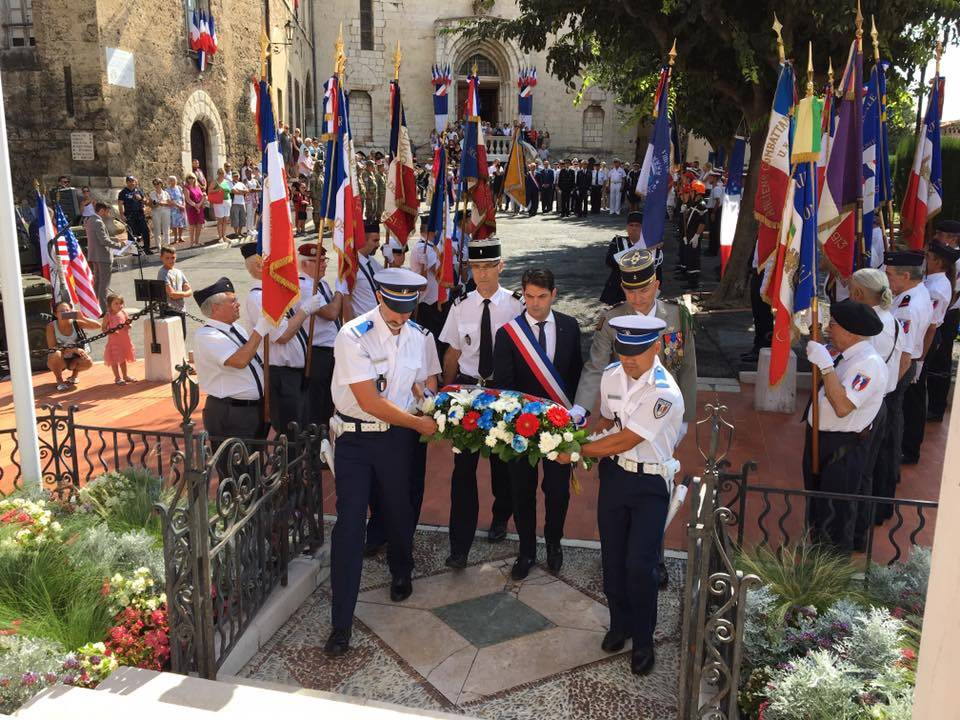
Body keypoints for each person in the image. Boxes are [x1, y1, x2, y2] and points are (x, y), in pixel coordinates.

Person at [556, 315, 683, 676]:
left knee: (640, 566)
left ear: (656, 347)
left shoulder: (664, 391)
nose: (629, 360)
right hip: (615, 477)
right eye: (623, 351)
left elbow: (630, 438)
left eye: (637, 353)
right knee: (612, 558)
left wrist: (578, 451)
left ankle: (643, 641)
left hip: (650, 485)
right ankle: (620, 625)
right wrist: (585, 438)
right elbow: (611, 423)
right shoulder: (612, 375)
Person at [325, 268, 439, 657]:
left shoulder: (418, 337)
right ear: (379, 297)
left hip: (395, 441)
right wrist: (418, 422)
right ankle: (341, 623)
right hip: (356, 440)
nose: (400, 317)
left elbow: (419, 382)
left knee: (398, 509)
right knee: (351, 523)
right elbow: (371, 402)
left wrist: (431, 401)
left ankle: (401, 571)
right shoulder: (352, 335)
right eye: (394, 308)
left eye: (408, 309)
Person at [492, 268, 583, 579]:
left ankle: (554, 543)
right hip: (521, 429)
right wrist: (528, 421)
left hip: (560, 428)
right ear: (523, 293)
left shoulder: (571, 328)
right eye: (529, 296)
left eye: (542, 297)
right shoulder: (508, 334)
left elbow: (575, 378)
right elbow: (505, 388)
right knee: (522, 491)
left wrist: (576, 415)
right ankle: (526, 550)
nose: (535, 303)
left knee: (558, 492)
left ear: (554, 294)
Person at [439, 238, 524, 567]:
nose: (482, 274)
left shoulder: (515, 306)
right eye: (476, 267)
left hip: (501, 393)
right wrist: (446, 395)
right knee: (463, 470)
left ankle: (501, 516)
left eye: (489, 266)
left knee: (502, 464)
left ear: (501, 266)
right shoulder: (461, 305)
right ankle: (459, 545)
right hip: (468, 392)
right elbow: (453, 353)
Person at [803, 299, 887, 552]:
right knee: (819, 505)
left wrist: (826, 367)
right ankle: (818, 552)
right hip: (824, 440)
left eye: (834, 324)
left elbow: (842, 407)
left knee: (836, 512)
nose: (829, 328)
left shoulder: (868, 364)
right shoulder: (849, 354)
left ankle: (832, 569)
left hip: (842, 447)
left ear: (851, 332)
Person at [580, 248, 698, 425]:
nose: (637, 298)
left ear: (656, 285)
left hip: (665, 406)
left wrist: (685, 418)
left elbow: (687, 367)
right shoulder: (611, 319)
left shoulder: (677, 315)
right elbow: (596, 366)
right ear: (622, 288)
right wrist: (581, 407)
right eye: (630, 292)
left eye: (644, 290)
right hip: (624, 405)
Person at [241, 242, 325, 435]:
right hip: (280, 374)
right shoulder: (259, 298)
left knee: (302, 427)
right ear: (260, 266)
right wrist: (305, 310)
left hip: (293, 373)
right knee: (290, 433)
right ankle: (291, 466)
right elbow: (283, 336)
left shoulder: (272, 294)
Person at [848, 269, 908, 535]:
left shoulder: (870, 325)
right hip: (882, 402)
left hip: (865, 406)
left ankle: (855, 533)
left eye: (851, 290)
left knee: (857, 472)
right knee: (869, 469)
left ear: (859, 293)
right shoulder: (892, 321)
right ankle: (863, 526)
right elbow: (905, 361)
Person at [194, 277, 273, 444]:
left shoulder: (236, 328)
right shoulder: (207, 335)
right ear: (216, 308)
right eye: (233, 301)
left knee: (255, 462)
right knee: (236, 465)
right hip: (231, 412)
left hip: (253, 409)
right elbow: (240, 361)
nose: (238, 304)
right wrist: (260, 329)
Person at [884, 251, 934, 466]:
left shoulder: (908, 309)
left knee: (891, 420)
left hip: (900, 368)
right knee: (895, 417)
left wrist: (890, 385)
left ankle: (889, 466)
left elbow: (904, 354)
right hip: (904, 366)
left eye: (889, 275)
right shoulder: (917, 292)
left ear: (905, 276)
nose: (886, 279)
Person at [297, 244, 344, 429]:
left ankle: (323, 442)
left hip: (330, 349)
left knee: (328, 402)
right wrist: (340, 292)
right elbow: (331, 313)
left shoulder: (321, 283)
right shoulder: (305, 286)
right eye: (319, 261)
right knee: (316, 404)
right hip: (316, 351)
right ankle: (314, 448)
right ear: (305, 264)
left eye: (325, 261)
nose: (324, 265)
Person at [920, 240, 959, 425]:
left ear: (938, 262)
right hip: (925, 335)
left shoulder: (937, 288)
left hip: (927, 338)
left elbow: (931, 326)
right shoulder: (931, 280)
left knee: (917, 390)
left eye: (928, 257)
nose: (925, 259)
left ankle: (912, 441)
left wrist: (920, 360)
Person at [46, 302, 99, 392]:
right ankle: (59, 380)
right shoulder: (51, 326)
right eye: (62, 311)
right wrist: (73, 349)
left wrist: (82, 318)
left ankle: (74, 376)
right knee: (56, 354)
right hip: (60, 358)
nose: (65, 313)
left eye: (67, 310)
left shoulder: (76, 323)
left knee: (88, 362)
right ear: (55, 314)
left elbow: (98, 326)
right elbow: (52, 346)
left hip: (74, 358)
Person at [85, 202, 126, 311]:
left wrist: (116, 239)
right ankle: (104, 309)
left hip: (95, 255)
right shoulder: (98, 221)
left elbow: (99, 238)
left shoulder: (89, 220)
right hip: (102, 256)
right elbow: (103, 240)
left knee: (97, 283)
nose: (108, 214)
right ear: (102, 210)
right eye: (107, 211)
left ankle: (95, 306)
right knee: (104, 285)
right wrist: (118, 245)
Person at [600, 211, 642, 306]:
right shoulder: (618, 242)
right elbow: (610, 261)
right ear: (627, 227)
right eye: (631, 225)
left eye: (637, 225)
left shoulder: (650, 245)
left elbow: (656, 270)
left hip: (640, 289)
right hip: (618, 288)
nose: (634, 228)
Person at [344, 221, 384, 321]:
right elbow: (346, 303)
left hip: (379, 321)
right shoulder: (350, 266)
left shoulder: (372, 262)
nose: (378, 245)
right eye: (375, 240)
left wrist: (392, 262)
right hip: (364, 324)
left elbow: (388, 280)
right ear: (363, 240)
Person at [101, 292, 137, 385]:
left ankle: (125, 376)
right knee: (114, 359)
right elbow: (103, 328)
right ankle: (117, 377)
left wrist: (129, 326)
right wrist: (110, 331)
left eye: (120, 303)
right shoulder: (108, 315)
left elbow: (128, 323)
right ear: (110, 305)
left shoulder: (123, 312)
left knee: (123, 359)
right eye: (116, 303)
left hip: (124, 340)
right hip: (114, 342)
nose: (119, 305)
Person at [677, 181, 708, 290]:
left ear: (697, 192)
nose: (690, 193)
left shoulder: (702, 205)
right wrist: (684, 211)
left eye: (692, 191)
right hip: (689, 234)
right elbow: (688, 218)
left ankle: (694, 282)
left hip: (694, 236)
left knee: (694, 258)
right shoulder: (693, 203)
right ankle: (689, 278)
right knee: (689, 256)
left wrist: (696, 236)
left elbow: (702, 223)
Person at [156, 246, 191, 340]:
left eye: (173, 257)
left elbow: (190, 291)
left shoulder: (179, 272)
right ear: (161, 258)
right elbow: (172, 294)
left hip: (181, 309)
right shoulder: (162, 273)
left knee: (182, 337)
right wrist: (184, 293)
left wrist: (182, 292)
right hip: (169, 310)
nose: (171, 260)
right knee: (174, 340)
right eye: (167, 258)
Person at [118, 176, 152, 254]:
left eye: (133, 181)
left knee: (145, 231)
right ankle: (135, 252)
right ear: (127, 182)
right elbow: (120, 204)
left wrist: (140, 199)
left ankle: (147, 249)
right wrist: (122, 215)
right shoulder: (123, 192)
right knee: (132, 234)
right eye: (130, 181)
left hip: (140, 214)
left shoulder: (139, 190)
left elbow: (146, 201)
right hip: (130, 215)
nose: (132, 183)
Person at [184, 174, 206, 248]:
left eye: (192, 177)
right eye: (189, 178)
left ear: (195, 178)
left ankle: (197, 241)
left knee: (199, 225)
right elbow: (188, 199)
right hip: (191, 208)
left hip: (199, 207)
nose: (191, 179)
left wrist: (199, 205)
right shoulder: (186, 188)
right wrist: (196, 206)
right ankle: (191, 242)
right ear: (187, 179)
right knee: (192, 225)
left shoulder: (197, 187)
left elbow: (202, 196)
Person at [209, 169, 231, 243]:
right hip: (219, 202)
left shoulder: (226, 181)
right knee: (220, 220)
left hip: (227, 201)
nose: (222, 174)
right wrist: (218, 189)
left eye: (223, 173)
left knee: (226, 220)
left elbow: (229, 191)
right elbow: (209, 191)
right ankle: (220, 237)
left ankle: (224, 236)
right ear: (217, 174)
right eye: (220, 173)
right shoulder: (215, 182)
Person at [167, 176, 187, 245]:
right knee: (174, 224)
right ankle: (175, 238)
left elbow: (183, 197)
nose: (173, 181)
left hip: (181, 208)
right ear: (169, 182)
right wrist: (179, 206)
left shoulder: (179, 188)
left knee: (181, 223)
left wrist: (184, 205)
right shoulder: (167, 190)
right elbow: (170, 200)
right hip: (174, 209)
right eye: (171, 180)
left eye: (174, 180)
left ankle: (180, 237)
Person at [229, 172, 248, 238]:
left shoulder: (241, 183)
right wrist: (242, 192)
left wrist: (239, 191)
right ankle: (236, 233)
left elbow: (247, 190)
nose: (236, 177)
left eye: (237, 176)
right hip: (234, 203)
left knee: (242, 218)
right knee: (235, 219)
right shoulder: (230, 183)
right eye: (234, 176)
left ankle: (240, 232)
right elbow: (233, 191)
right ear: (232, 177)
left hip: (242, 203)